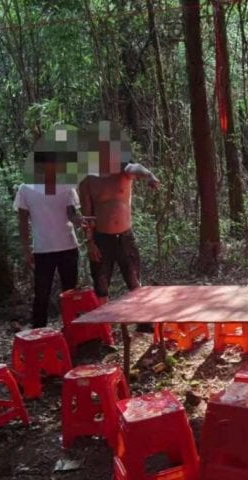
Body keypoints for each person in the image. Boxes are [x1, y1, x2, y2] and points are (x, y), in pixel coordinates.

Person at [78, 122, 160, 330]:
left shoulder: (124, 170)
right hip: (101, 239)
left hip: (124, 236)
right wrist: (90, 243)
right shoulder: (88, 180)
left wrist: (149, 175)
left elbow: (136, 168)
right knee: (101, 285)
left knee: (134, 280)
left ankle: (143, 323)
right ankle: (106, 331)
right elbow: (87, 216)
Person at [16, 129, 84, 328]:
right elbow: (22, 219)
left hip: (68, 246)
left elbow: (72, 214)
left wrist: (82, 221)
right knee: (42, 294)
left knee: (70, 292)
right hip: (43, 249)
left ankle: (73, 331)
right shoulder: (25, 188)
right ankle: (38, 333)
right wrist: (27, 249)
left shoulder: (66, 185)